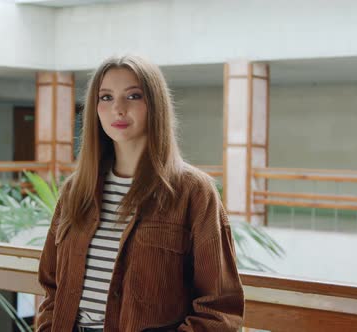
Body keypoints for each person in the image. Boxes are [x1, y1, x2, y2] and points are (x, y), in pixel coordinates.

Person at [37, 55, 244, 332]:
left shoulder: (193, 192)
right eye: (106, 97)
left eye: (133, 96)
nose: (118, 109)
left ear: (155, 105)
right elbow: (51, 288)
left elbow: (219, 309)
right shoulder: (76, 190)